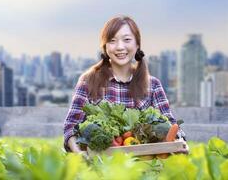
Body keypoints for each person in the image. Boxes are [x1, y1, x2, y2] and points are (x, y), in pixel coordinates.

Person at [63, 15, 189, 154]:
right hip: (100, 166)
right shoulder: (88, 81)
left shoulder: (153, 85)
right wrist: (79, 152)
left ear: (137, 44)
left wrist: (179, 141)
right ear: (105, 47)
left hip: (144, 166)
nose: (120, 47)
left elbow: (170, 124)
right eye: (112, 41)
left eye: (127, 40)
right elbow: (71, 127)